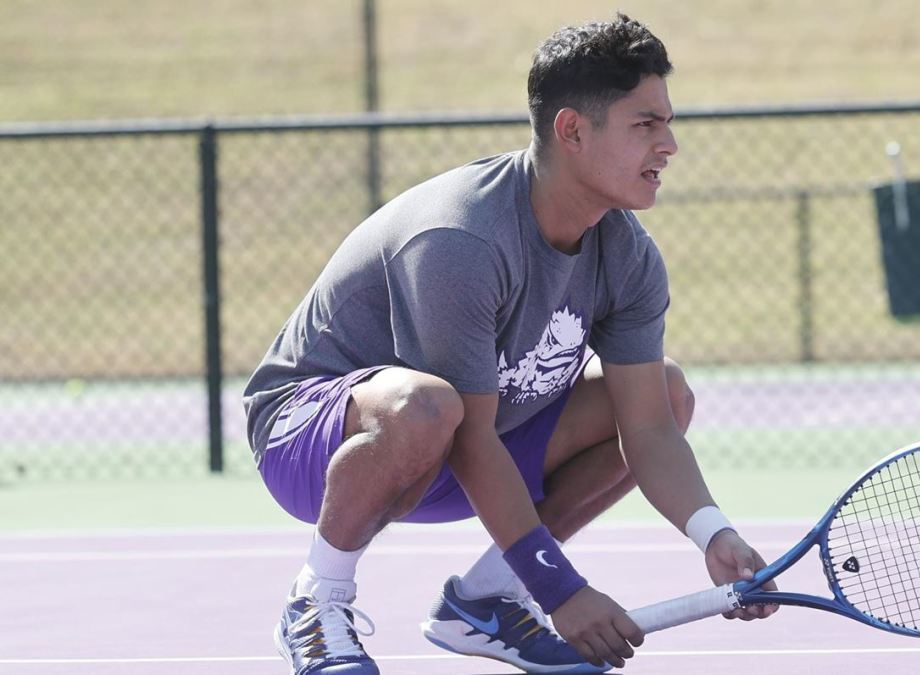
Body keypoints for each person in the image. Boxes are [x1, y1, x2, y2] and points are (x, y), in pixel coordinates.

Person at [243, 13, 776, 675]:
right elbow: (467, 437)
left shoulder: (628, 256)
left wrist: (712, 531)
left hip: (464, 443)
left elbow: (649, 430)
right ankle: (315, 602)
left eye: (669, 122)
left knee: (664, 390)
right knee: (426, 405)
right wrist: (562, 590)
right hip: (313, 442)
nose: (668, 145)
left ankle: (488, 599)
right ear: (573, 131)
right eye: (646, 124)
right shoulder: (461, 239)